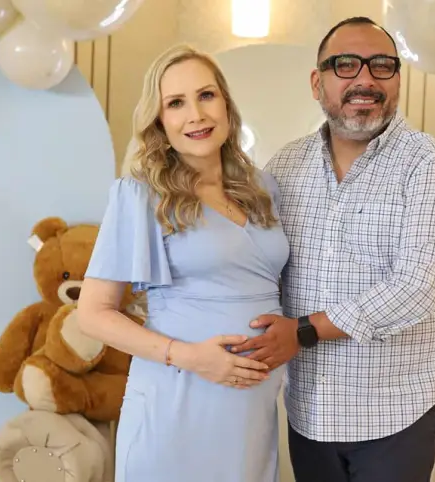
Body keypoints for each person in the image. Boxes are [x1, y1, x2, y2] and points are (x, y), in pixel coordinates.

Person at [230, 17, 435, 482]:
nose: (365, 79)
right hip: (308, 411)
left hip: (395, 414)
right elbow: (261, 266)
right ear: (317, 83)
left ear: (397, 79)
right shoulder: (286, 165)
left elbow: (416, 287)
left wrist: (303, 331)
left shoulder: (428, 164)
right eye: (345, 65)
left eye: (382, 66)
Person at [76, 44, 290, 482]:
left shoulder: (263, 189)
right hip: (176, 399)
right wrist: (191, 357)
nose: (196, 115)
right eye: (176, 103)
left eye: (206, 95)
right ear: (159, 120)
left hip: (250, 414)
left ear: (226, 104)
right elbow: (93, 313)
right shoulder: (140, 195)